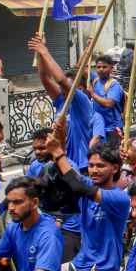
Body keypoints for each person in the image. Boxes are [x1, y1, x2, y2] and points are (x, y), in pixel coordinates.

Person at [44, 136, 131, 271]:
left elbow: (77, 184)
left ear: (115, 168)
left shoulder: (118, 199)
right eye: (91, 165)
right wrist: (58, 144)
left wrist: (58, 153)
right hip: (79, 264)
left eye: (100, 166)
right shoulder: (88, 186)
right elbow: (66, 177)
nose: (94, 170)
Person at [28, 35, 93, 170]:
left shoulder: (82, 102)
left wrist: (45, 51)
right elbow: (45, 78)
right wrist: (40, 52)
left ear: (80, 88)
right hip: (62, 162)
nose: (63, 89)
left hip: (82, 167)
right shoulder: (62, 101)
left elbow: (61, 80)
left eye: (68, 87)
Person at [25, 128, 81, 262]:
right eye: (35, 148)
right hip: (45, 221)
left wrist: (58, 220)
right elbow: (27, 190)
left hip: (68, 226)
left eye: (42, 148)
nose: (37, 152)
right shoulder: (35, 166)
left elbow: (72, 198)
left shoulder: (69, 167)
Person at [89, 54, 126, 149]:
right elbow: (80, 68)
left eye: (104, 67)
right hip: (99, 128)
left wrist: (93, 94)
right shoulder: (95, 80)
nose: (101, 69)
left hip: (112, 129)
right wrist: (88, 49)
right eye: (98, 67)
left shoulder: (114, 85)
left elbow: (109, 103)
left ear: (111, 68)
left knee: (113, 157)